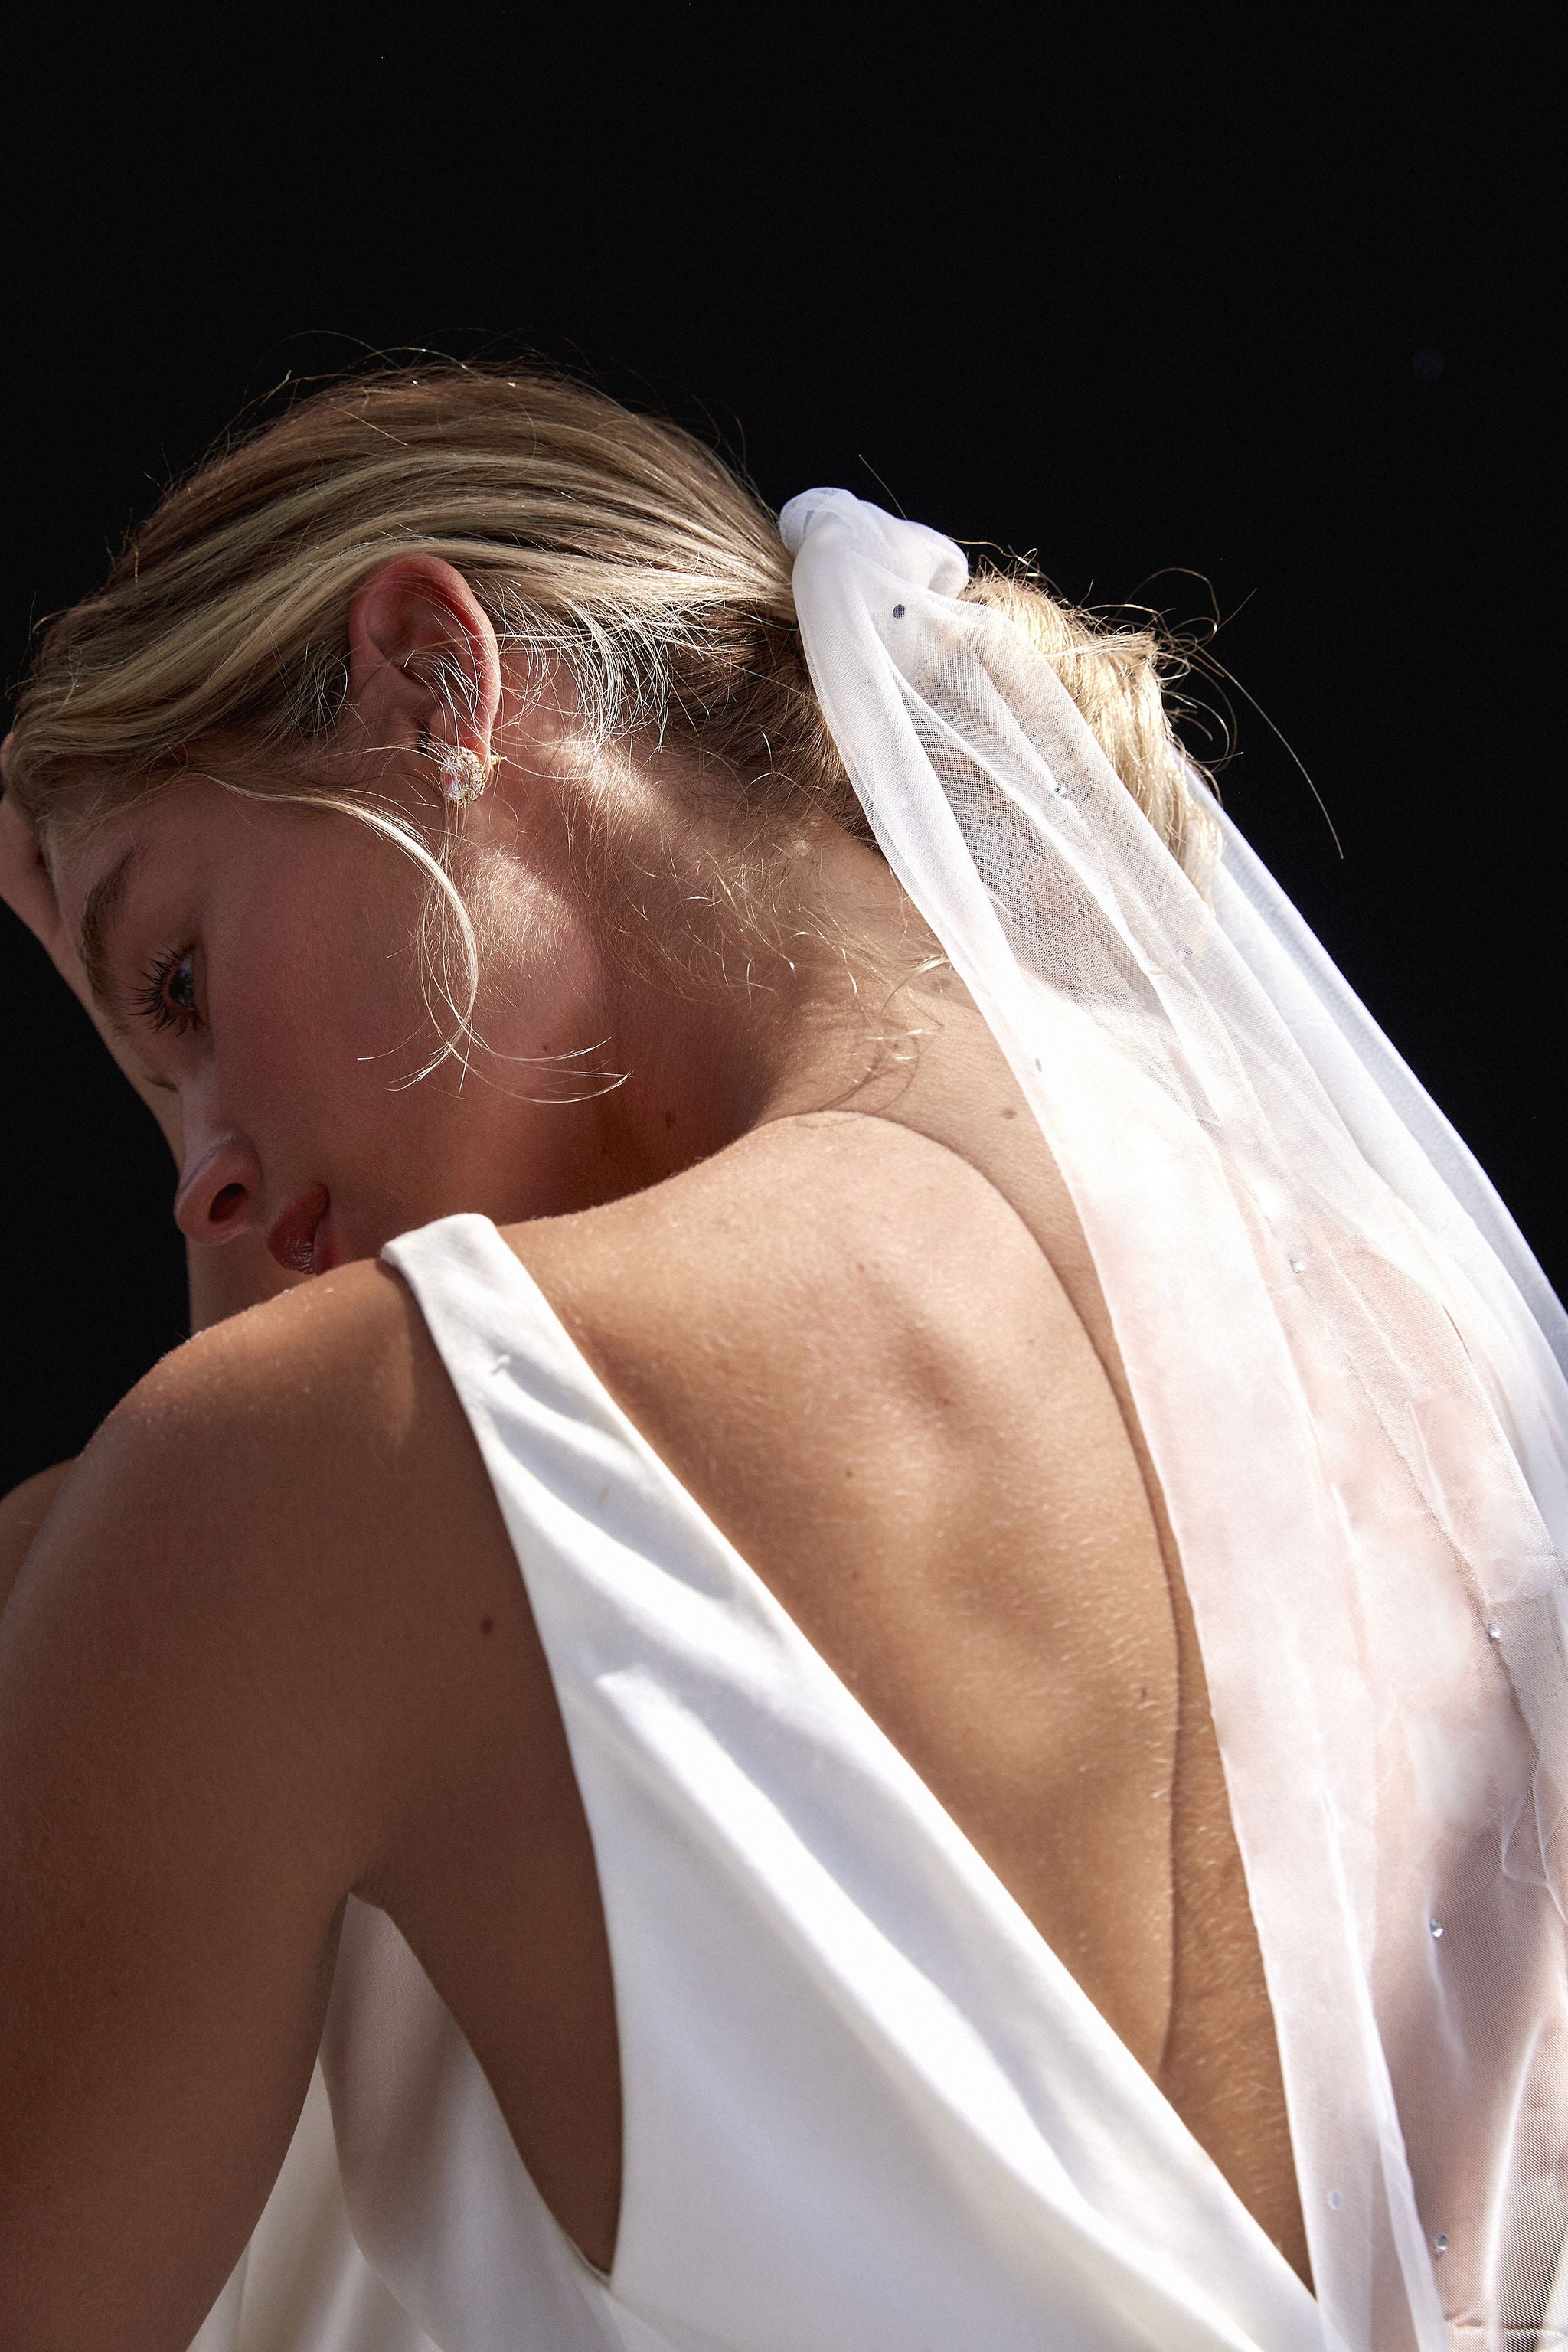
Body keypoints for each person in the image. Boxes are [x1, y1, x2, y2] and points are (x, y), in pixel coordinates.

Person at [0, 367, 1561, 2352]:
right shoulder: (1433, 1387)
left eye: (184, 983)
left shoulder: (337, 1479)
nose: (199, 1180)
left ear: (427, 679)